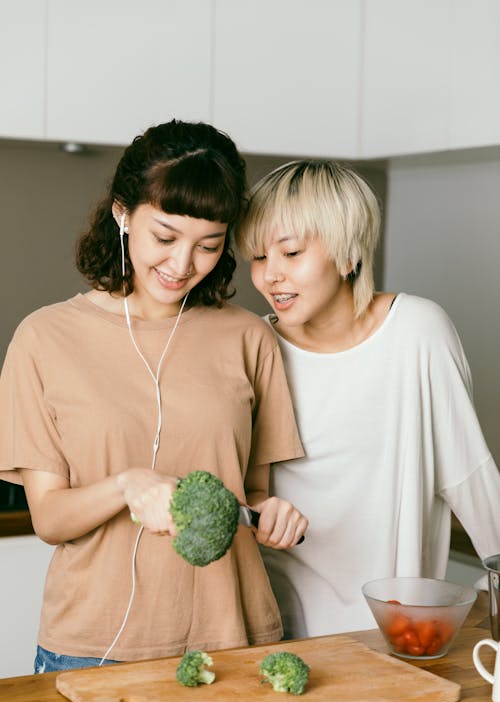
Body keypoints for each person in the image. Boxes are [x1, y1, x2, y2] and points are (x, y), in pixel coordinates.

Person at [0, 120, 308, 673]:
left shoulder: (249, 337)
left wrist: (273, 515)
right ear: (122, 213)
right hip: (91, 648)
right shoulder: (43, 337)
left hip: (233, 638)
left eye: (209, 245)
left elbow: (252, 492)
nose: (182, 264)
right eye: (164, 237)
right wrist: (127, 485)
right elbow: (49, 518)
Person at [236, 159, 500, 639]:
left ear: (348, 254)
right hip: (277, 629)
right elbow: (243, 489)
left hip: (396, 632)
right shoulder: (253, 345)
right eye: (257, 257)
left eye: (290, 252)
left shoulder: (417, 331)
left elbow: (471, 478)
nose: (269, 276)